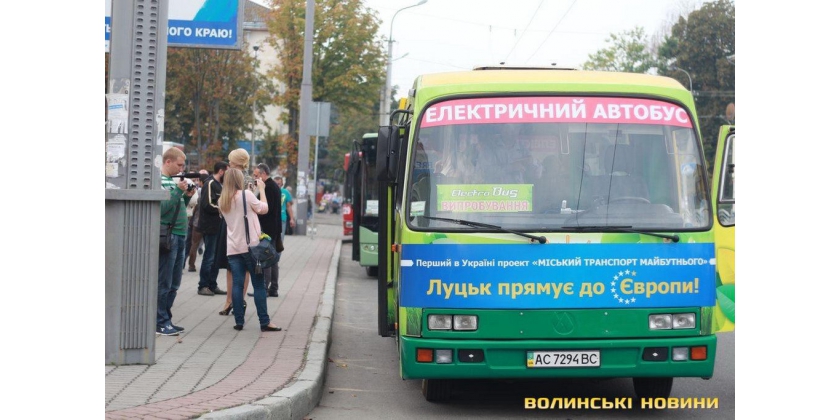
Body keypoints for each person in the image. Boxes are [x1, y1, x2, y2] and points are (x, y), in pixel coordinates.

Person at [218, 154, 282, 332]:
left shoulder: (222, 200)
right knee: (259, 284)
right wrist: (261, 189)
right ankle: (264, 321)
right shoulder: (246, 195)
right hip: (251, 247)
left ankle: (239, 321)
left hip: (233, 247)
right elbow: (264, 208)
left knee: (237, 285)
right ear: (239, 179)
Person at [157, 147, 196, 336]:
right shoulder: (160, 180)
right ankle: (160, 321)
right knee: (164, 281)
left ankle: (166, 318)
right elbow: (162, 208)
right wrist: (179, 193)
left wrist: (186, 197)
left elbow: (178, 206)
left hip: (181, 234)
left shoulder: (174, 181)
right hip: (169, 235)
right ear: (168, 162)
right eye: (179, 165)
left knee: (174, 282)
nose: (182, 169)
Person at [217, 150, 252, 315]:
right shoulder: (250, 179)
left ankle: (230, 300)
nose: (228, 162)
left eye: (230, 160)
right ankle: (239, 300)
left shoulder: (232, 177)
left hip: (231, 223)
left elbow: (226, 199)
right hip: (245, 225)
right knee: (244, 266)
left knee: (231, 264)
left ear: (236, 161)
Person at [252, 163, 283, 297]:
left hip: (268, 229)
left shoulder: (268, 188)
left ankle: (264, 288)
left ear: (263, 174)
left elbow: (263, 209)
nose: (254, 178)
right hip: (274, 227)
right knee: (273, 258)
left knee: (266, 257)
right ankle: (274, 288)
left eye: (256, 175)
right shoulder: (274, 186)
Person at [197, 162, 228, 296]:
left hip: (219, 226)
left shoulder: (220, 185)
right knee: (209, 257)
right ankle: (203, 285)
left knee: (216, 257)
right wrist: (224, 209)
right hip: (210, 226)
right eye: (227, 172)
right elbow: (207, 204)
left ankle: (212, 284)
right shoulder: (210, 183)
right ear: (221, 171)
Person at [185, 169, 209, 272]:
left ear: (200, 182)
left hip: (197, 222)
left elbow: (194, 206)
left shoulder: (198, 192)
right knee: (208, 245)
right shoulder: (209, 191)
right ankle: (207, 265)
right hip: (207, 222)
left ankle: (191, 265)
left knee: (193, 244)